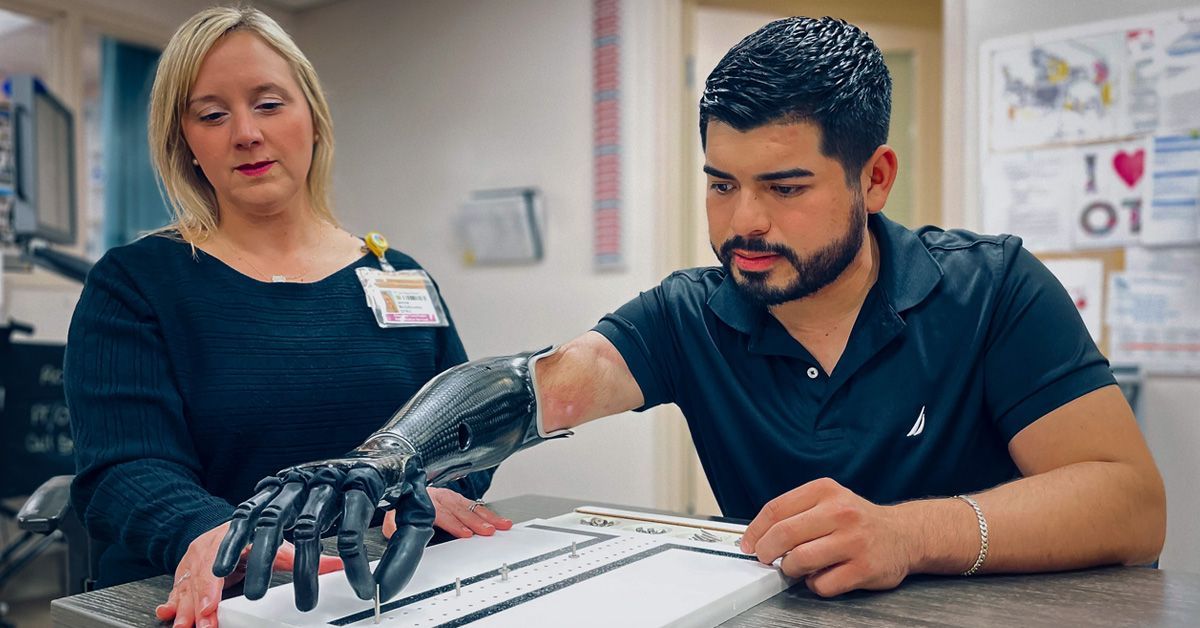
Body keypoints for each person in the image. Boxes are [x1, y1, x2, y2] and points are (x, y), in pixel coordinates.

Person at [226, 16, 1166, 607]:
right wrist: (391, 454)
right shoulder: (692, 312)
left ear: (874, 177)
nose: (744, 224)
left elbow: (1129, 504)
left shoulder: (991, 286)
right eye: (722, 184)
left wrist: (907, 534)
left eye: (786, 187)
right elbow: (535, 387)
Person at [63, 7, 507, 628]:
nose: (245, 132)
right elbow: (125, 468)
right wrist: (217, 533)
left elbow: (465, 426)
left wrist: (430, 488)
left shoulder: (395, 275)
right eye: (211, 114)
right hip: (220, 599)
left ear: (313, 119)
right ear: (185, 142)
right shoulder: (134, 284)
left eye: (269, 104)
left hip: (388, 591)